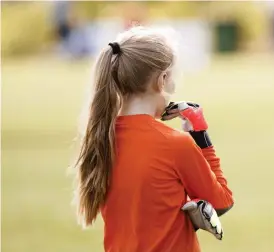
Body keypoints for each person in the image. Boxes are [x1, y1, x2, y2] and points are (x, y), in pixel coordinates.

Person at [73, 26, 234, 252]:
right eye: (174, 79)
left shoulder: (101, 138)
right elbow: (222, 201)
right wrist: (200, 137)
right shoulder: (175, 143)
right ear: (162, 80)